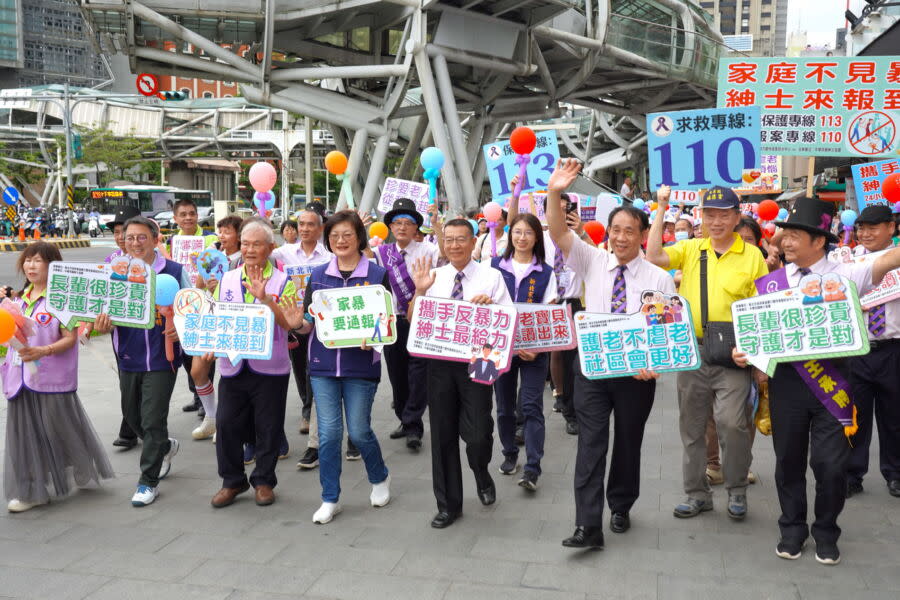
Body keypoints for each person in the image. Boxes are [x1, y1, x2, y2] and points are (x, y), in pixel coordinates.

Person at [733, 197, 900, 565]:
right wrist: (744, 352)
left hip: (836, 383)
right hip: (787, 385)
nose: (785, 242)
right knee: (788, 460)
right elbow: (757, 335)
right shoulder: (771, 283)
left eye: (795, 235)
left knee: (831, 464)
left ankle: (826, 529)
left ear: (819, 240)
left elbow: (891, 259)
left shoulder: (847, 273)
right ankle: (792, 529)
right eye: (784, 235)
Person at [546, 159, 675, 549]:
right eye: (616, 230)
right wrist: (555, 192)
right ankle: (588, 525)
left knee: (628, 442)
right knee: (591, 442)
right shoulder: (592, 259)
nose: (620, 237)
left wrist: (654, 364)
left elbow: (666, 331)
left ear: (641, 235)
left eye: (629, 231)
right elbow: (557, 233)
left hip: (637, 375)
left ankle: (620, 504)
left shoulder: (658, 278)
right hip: (593, 370)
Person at [646, 185, 767, 521]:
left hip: (733, 354)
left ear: (736, 216)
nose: (716, 221)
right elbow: (654, 256)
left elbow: (760, 309)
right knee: (693, 427)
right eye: (709, 214)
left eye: (723, 214)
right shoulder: (691, 248)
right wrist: (661, 208)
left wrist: (756, 358)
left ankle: (737, 488)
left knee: (732, 423)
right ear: (701, 217)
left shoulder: (752, 255)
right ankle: (696, 494)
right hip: (692, 352)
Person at [285, 210, 391, 523]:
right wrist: (295, 324)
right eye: (334, 236)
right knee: (329, 434)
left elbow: (386, 322)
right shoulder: (317, 275)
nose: (340, 241)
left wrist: (375, 337)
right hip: (323, 366)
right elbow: (308, 323)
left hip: (361, 367)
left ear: (359, 237)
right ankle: (330, 498)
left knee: (359, 431)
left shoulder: (376, 274)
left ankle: (379, 476)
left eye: (347, 234)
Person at [409, 218, 513, 528]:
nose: (454, 245)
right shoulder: (433, 276)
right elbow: (412, 319)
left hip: (480, 358)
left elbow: (507, 319)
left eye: (460, 239)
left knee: (479, 432)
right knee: (442, 434)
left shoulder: (491, 276)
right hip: (439, 362)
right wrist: (420, 292)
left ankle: (481, 472)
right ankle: (448, 504)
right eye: (449, 240)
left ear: (472, 243)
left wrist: (490, 306)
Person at [0, 243, 114, 512]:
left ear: (54, 265)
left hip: (51, 378)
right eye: (27, 260)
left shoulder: (62, 298)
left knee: (57, 427)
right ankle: (33, 489)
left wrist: (44, 350)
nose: (31, 266)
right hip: (20, 376)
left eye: (38, 261)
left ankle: (70, 466)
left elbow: (70, 338)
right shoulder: (17, 300)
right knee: (24, 433)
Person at [93, 216, 189, 506]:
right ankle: (163, 445)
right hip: (128, 357)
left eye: (142, 237)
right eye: (130, 237)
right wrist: (102, 325)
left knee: (152, 418)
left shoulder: (173, 271)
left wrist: (180, 326)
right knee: (133, 417)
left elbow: (191, 307)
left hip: (163, 358)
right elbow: (102, 312)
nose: (135, 243)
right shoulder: (114, 273)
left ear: (155, 239)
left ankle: (148, 482)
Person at [209, 220, 297, 509]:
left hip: (270, 367)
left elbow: (289, 325)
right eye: (245, 243)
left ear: (271, 248)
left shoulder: (284, 281)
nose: (249, 249)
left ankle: (263, 480)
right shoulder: (227, 279)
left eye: (256, 244)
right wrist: (210, 343)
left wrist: (267, 300)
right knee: (226, 423)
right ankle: (232, 480)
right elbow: (217, 317)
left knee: (268, 426)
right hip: (233, 364)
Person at [490, 213, 556, 491]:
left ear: (537, 238)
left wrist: (537, 346)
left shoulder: (546, 272)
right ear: (509, 235)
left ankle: (532, 468)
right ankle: (509, 454)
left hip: (533, 351)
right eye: (517, 232)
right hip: (498, 349)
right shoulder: (493, 267)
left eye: (528, 232)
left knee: (530, 406)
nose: (522, 237)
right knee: (504, 408)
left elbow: (550, 313)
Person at [373, 198, 439, 451]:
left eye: (407, 223)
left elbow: (444, 253)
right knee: (397, 375)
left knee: (418, 374)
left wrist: (438, 227)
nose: (401, 227)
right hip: (392, 322)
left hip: (421, 320)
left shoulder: (428, 250)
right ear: (390, 227)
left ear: (416, 229)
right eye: (396, 222)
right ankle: (405, 418)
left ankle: (413, 426)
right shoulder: (381, 253)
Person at [846, 205, 900, 500]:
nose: (865, 233)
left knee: (895, 417)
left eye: (873, 228)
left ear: (891, 228)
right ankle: (852, 474)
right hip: (860, 349)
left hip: (894, 347)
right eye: (861, 228)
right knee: (856, 415)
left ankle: (896, 474)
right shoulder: (848, 261)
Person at [168, 198, 218, 417]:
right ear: (175, 218)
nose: (188, 218)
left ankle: (205, 397)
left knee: (206, 351)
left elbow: (217, 264)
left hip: (207, 300)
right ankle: (196, 393)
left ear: (198, 216)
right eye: (183, 214)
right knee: (188, 350)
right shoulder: (171, 242)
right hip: (183, 303)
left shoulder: (211, 239)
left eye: (192, 213)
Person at [103, 205, 143, 449]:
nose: (120, 237)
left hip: (149, 332)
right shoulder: (110, 261)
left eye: (125, 231)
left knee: (144, 384)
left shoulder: (151, 259)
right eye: (117, 232)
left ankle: (135, 430)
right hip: (121, 332)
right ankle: (131, 427)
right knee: (127, 382)